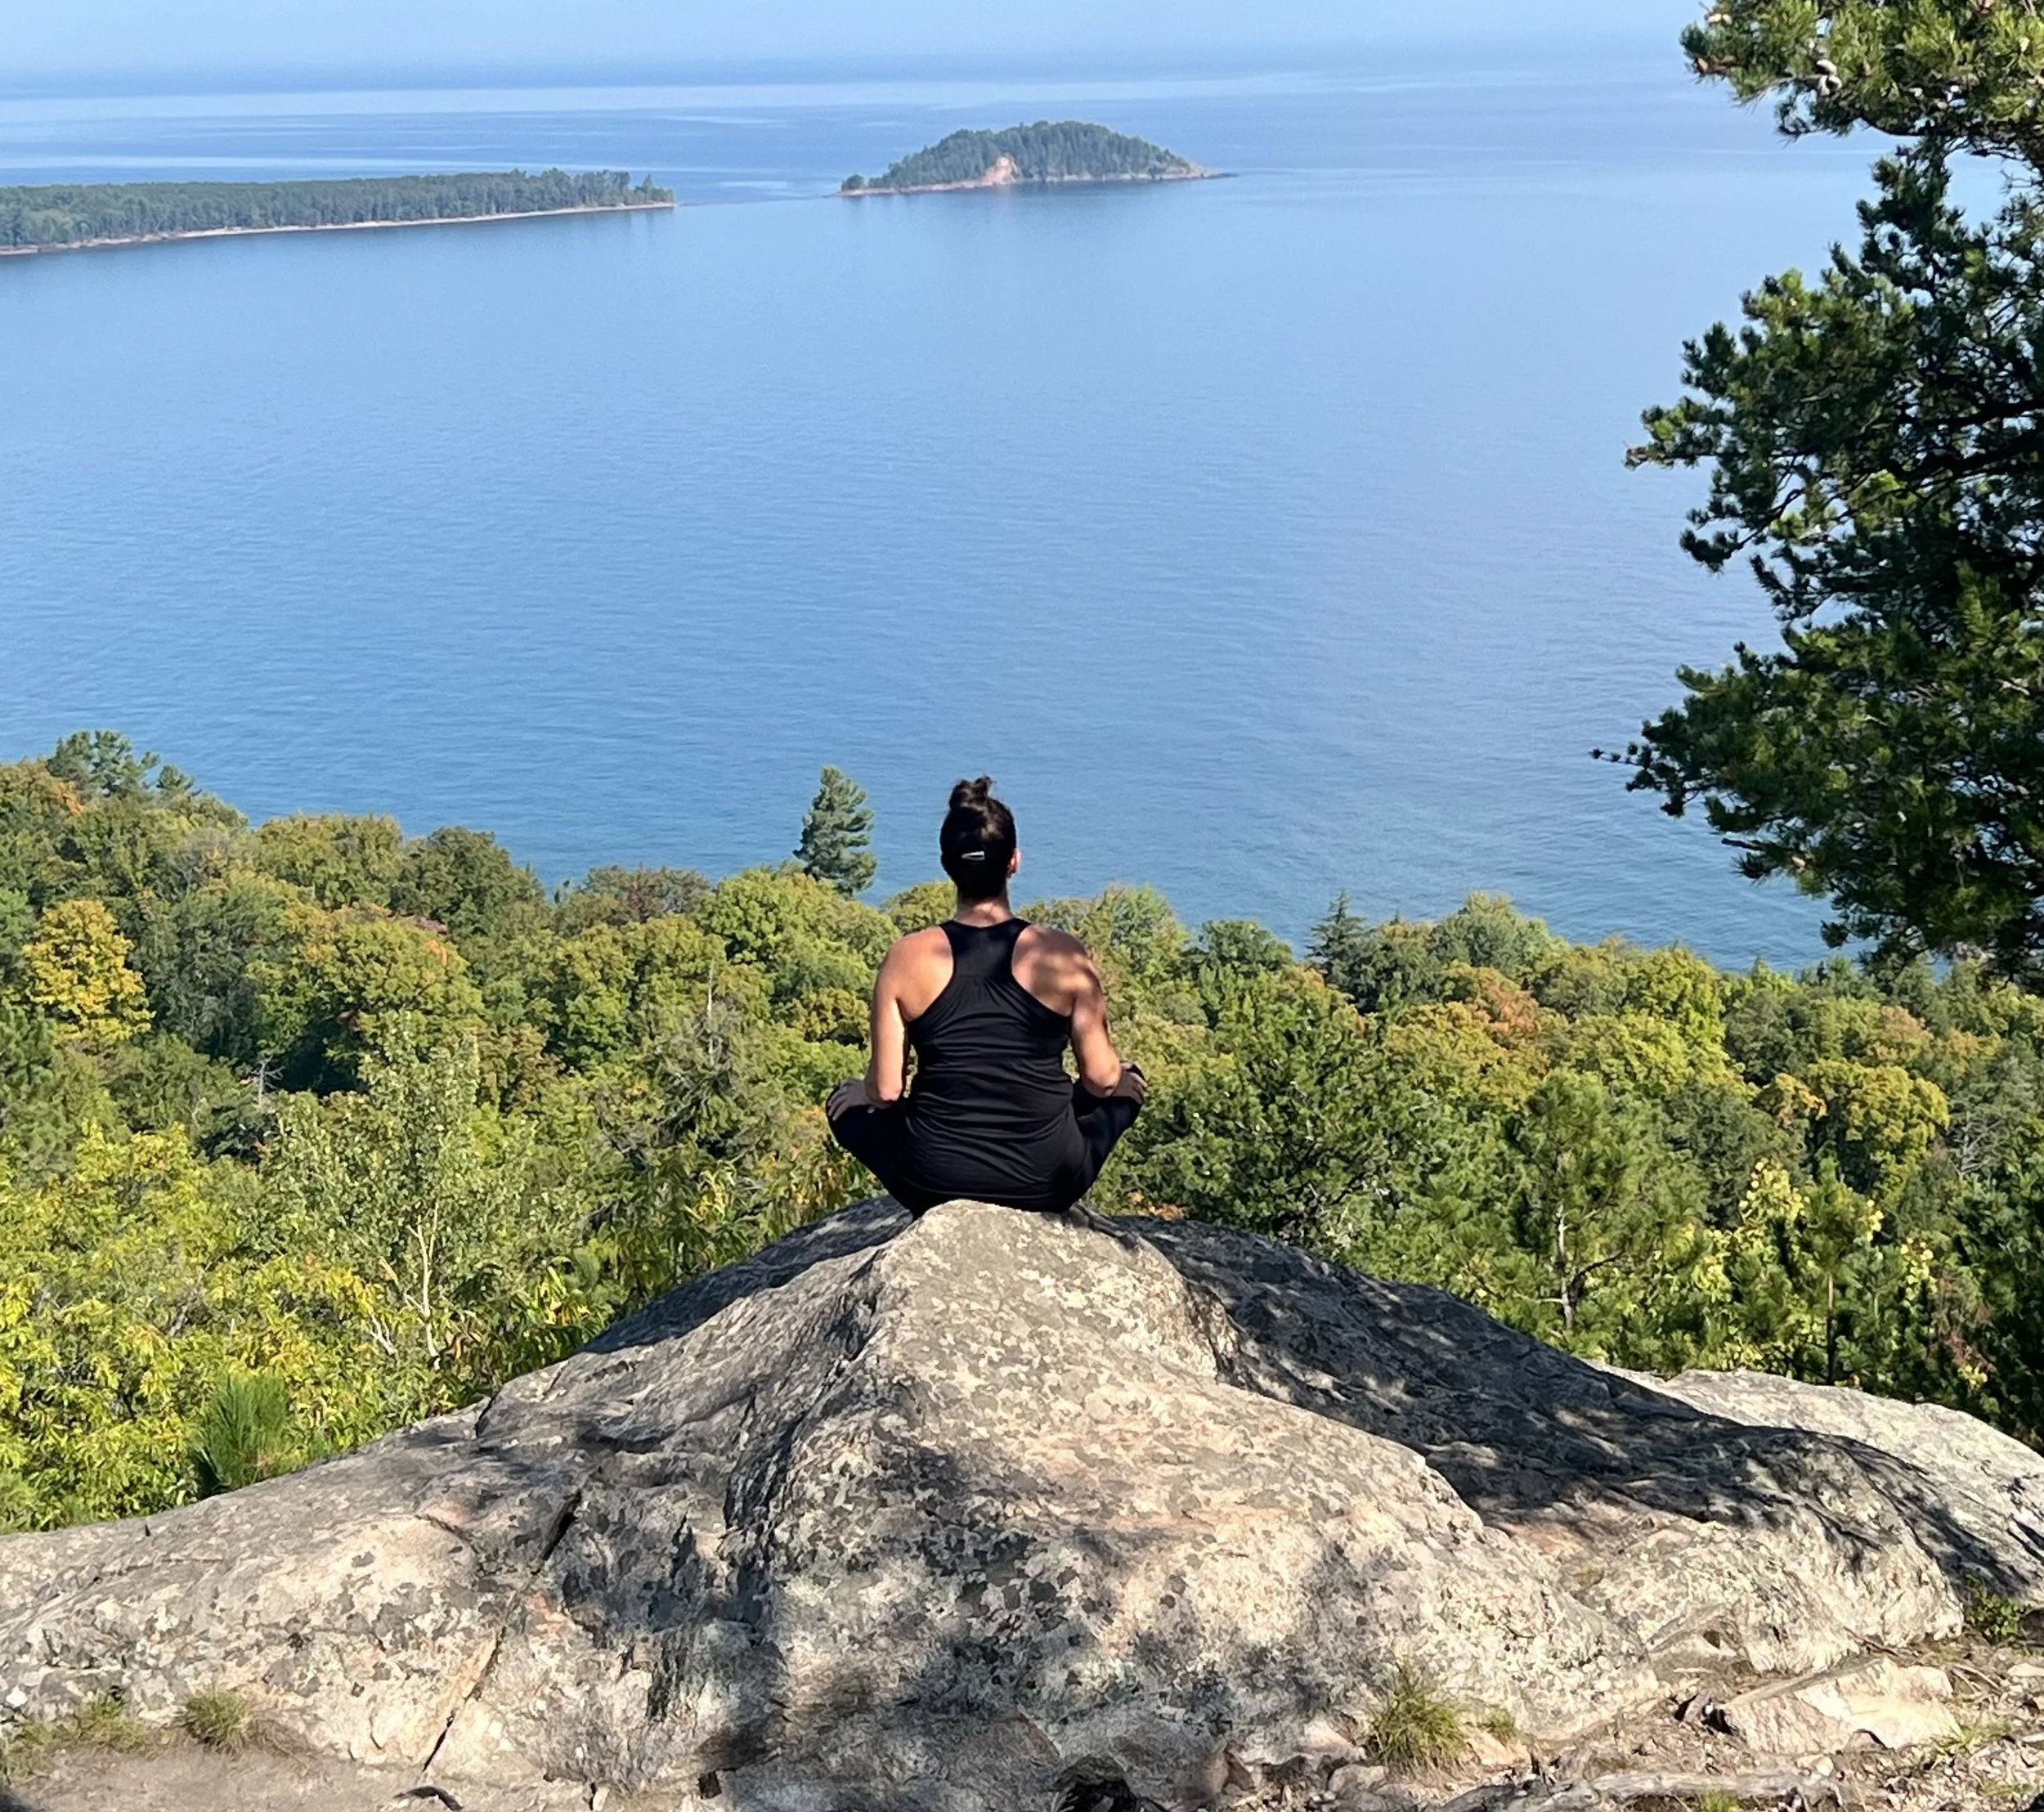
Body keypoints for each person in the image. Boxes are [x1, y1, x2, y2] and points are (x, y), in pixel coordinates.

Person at [827, 777, 1148, 1215]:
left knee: (843, 1107)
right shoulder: (1062, 955)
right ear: (1013, 862)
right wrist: (1119, 1088)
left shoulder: (906, 958)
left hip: (933, 1180)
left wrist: (858, 1093)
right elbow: (1103, 1079)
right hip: (1047, 1179)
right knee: (1126, 1085)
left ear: (946, 864)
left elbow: (885, 1090)